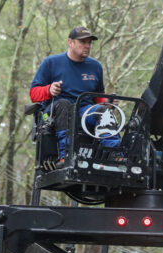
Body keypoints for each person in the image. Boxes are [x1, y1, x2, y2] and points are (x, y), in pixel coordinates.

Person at [29, 26, 106, 163]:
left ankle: (114, 155)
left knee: (102, 111)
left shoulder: (95, 66)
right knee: (64, 105)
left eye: (89, 43)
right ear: (70, 42)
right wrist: (49, 90)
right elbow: (33, 94)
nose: (87, 46)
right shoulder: (51, 63)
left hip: (84, 111)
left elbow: (98, 96)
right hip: (55, 111)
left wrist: (107, 103)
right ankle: (66, 155)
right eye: (83, 42)